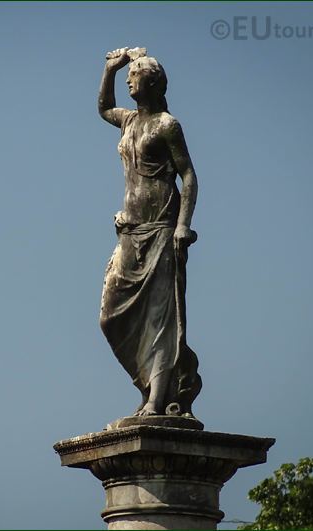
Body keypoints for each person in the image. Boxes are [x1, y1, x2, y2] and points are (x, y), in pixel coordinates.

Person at [98, 47, 202, 418]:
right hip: (131, 231)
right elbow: (103, 108)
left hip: (161, 229)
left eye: (135, 73)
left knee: (160, 317)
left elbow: (188, 176)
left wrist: (183, 226)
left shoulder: (167, 125)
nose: (130, 78)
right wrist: (111, 69)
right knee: (110, 316)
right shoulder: (128, 122)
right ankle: (148, 385)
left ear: (153, 81)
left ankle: (158, 400)